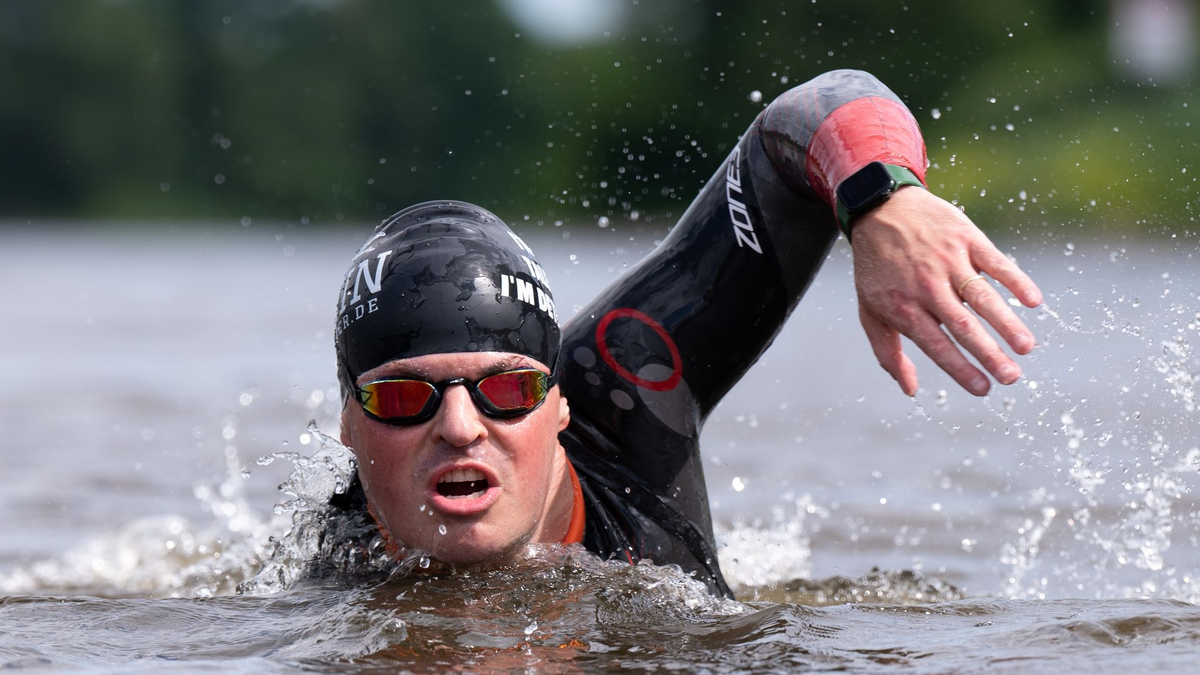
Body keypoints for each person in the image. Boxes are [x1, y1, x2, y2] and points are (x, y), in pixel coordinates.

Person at [329, 69, 1043, 597]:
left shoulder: (623, 381)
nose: (460, 425)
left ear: (561, 401)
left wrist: (882, 198)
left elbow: (815, 109)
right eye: (401, 400)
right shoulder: (337, 574)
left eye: (508, 389)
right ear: (348, 427)